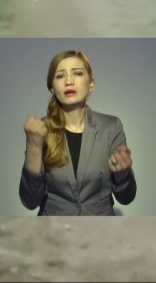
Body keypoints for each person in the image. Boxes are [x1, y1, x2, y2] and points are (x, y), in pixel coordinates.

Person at [18, 49, 137, 215]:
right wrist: (33, 147)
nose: (68, 81)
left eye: (78, 73)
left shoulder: (111, 126)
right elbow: (30, 201)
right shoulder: (39, 130)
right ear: (52, 88)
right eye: (60, 76)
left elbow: (126, 198)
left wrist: (123, 176)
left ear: (91, 83)